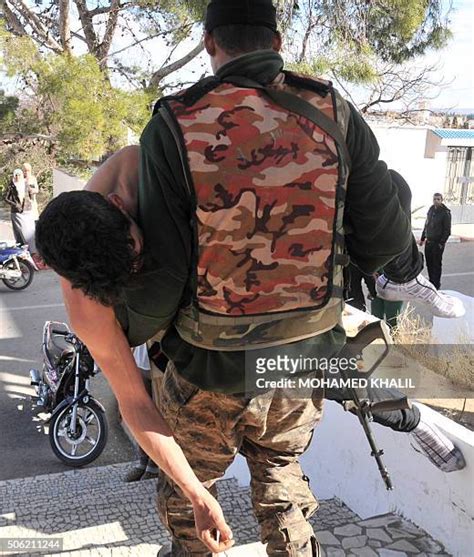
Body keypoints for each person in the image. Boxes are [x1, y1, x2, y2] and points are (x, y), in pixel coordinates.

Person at [36, 2, 466, 555]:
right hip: (299, 361)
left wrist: (193, 492)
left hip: (206, 373)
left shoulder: (172, 126)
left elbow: (160, 299)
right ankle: (393, 405)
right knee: (283, 476)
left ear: (209, 42)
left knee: (192, 516)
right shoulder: (330, 106)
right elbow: (382, 236)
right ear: (278, 41)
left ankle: (390, 402)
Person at [419, 193, 451, 289]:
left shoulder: (445, 213)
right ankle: (431, 282)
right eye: (434, 199)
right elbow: (426, 224)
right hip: (429, 242)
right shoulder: (431, 210)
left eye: (438, 199)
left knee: (436, 265)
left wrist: (441, 243)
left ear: (442, 200)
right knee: (429, 263)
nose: (436, 201)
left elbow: (447, 230)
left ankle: (436, 285)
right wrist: (422, 238)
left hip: (437, 244)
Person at [4, 168, 37, 252]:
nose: (18, 177)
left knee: (29, 231)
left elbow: (33, 191)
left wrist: (31, 198)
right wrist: (15, 204)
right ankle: (21, 250)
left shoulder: (26, 183)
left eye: (19, 175)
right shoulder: (11, 185)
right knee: (19, 232)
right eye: (16, 175)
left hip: (27, 210)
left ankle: (32, 250)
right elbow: (6, 198)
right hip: (16, 212)